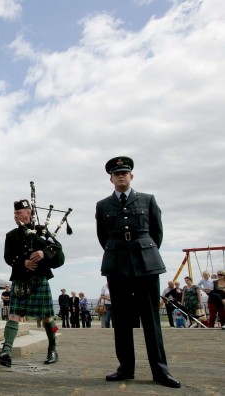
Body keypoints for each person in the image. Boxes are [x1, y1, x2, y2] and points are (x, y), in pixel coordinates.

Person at [95, 156, 180, 388]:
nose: (121, 176)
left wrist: (144, 252)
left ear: (132, 176)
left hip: (146, 265)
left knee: (151, 319)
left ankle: (161, 371)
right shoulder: (102, 205)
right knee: (121, 319)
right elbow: (103, 237)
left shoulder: (148, 200)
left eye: (125, 173)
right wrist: (120, 252)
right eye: (117, 173)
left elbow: (156, 233)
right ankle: (125, 368)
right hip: (117, 265)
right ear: (111, 179)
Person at [0, 198, 64, 367]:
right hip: (20, 280)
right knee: (13, 315)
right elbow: (9, 258)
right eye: (14, 213)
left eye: (18, 212)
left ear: (28, 212)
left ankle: (52, 348)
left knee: (47, 317)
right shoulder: (11, 235)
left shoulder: (41, 231)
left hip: (39, 279)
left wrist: (44, 252)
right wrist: (23, 263)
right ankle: (6, 352)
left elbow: (58, 251)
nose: (15, 216)